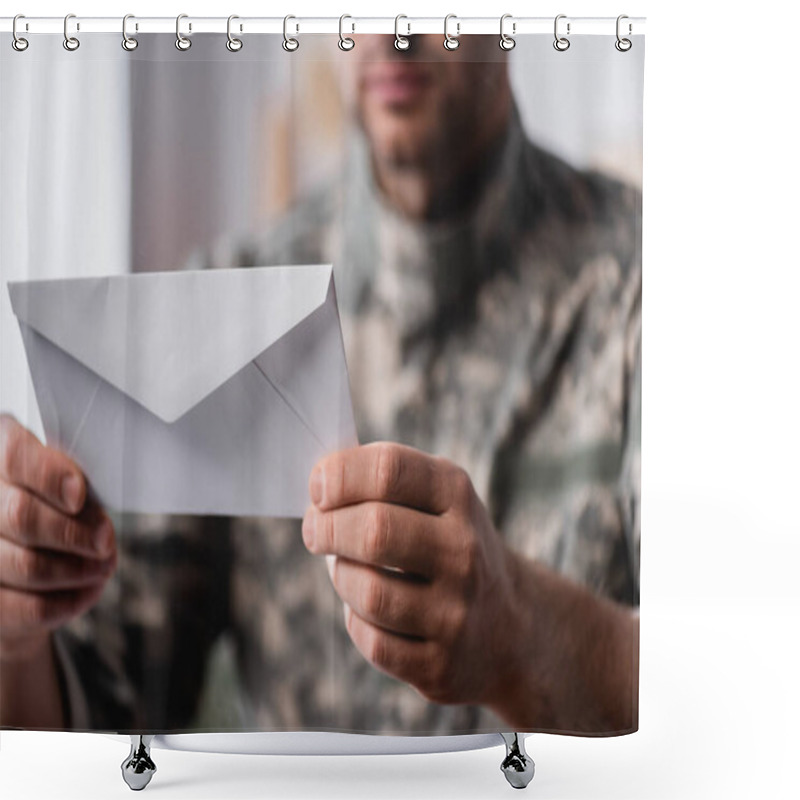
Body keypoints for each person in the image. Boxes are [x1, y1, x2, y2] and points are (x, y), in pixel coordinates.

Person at [0, 34, 641, 735]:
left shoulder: (647, 284)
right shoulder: (229, 302)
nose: (393, 31)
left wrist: (523, 634)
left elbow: (733, 682)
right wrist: (15, 632)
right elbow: (97, 714)